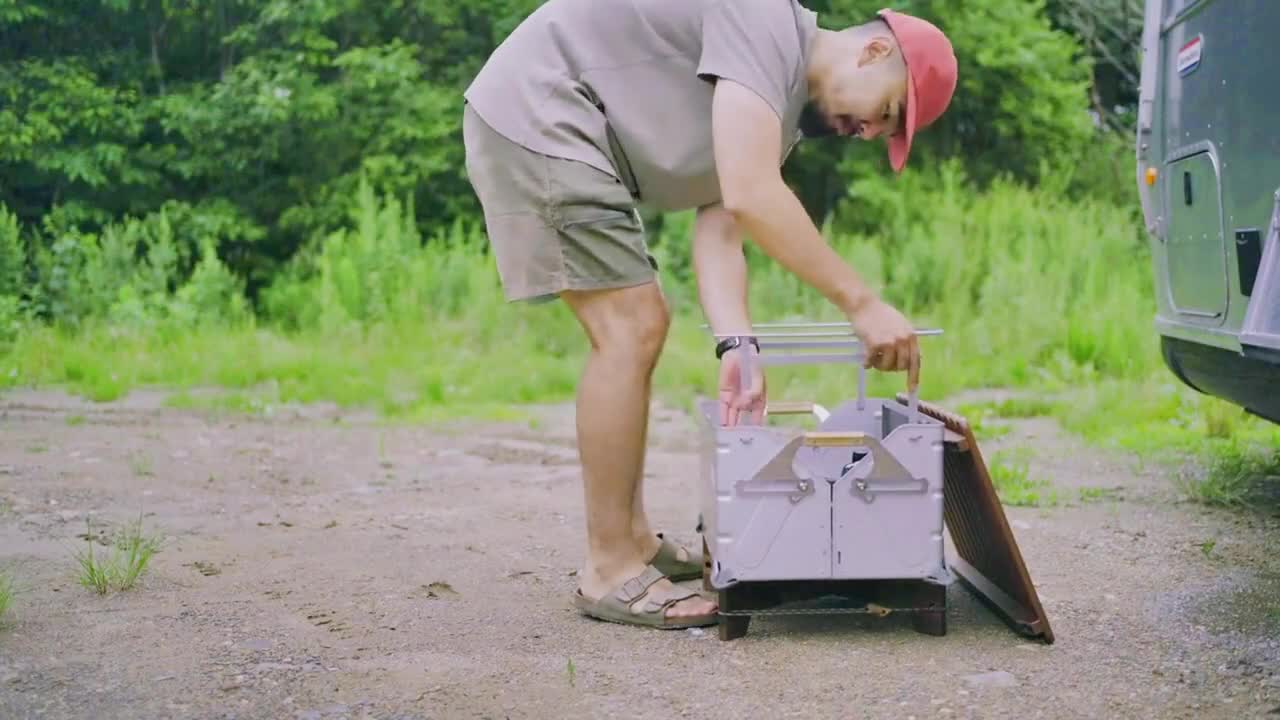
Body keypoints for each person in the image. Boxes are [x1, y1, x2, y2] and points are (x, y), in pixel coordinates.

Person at [461, 0, 957, 629]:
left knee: (641, 322)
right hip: (542, 109)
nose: (866, 132)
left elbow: (723, 226)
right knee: (629, 327)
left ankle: (635, 541)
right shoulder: (765, 19)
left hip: (563, 122)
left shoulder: (775, 111)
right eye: (885, 113)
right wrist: (862, 302)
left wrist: (738, 345)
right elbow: (752, 195)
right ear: (875, 51)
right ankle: (609, 566)